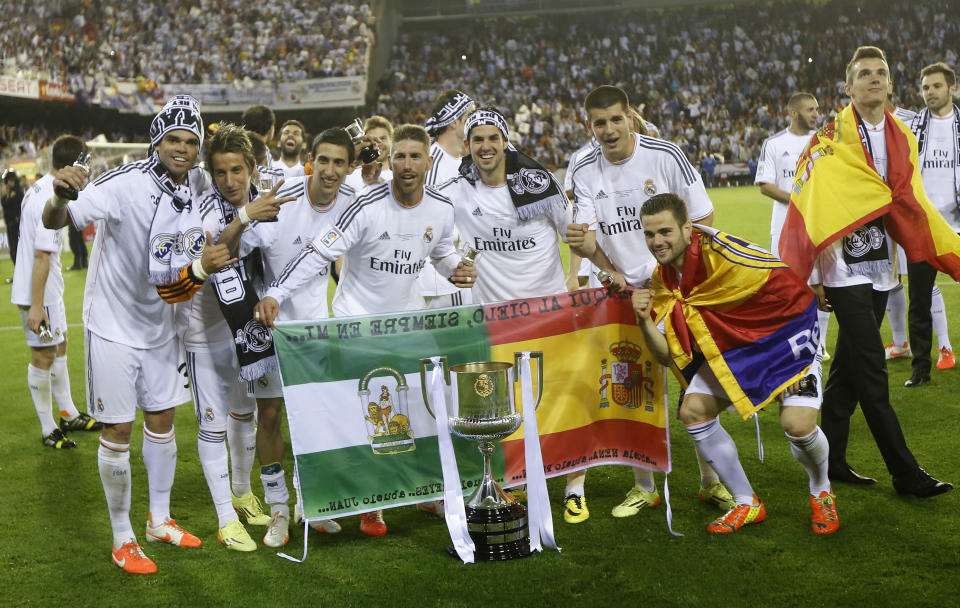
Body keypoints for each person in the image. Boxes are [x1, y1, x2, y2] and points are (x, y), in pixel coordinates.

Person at [43, 95, 237, 574]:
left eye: (191, 141)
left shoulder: (201, 188)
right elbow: (56, 220)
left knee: (164, 421)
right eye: (173, 139)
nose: (183, 148)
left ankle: (159, 520)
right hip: (113, 325)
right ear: (156, 140)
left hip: (164, 324)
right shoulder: (122, 183)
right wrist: (60, 195)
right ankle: (122, 537)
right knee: (119, 429)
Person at [254, 124, 477, 537]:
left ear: (429, 162)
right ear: (390, 162)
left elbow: (441, 251)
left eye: (415, 157)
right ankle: (371, 504)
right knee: (366, 416)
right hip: (356, 325)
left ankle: (425, 488)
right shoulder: (366, 206)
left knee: (423, 408)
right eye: (401, 157)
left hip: (406, 325)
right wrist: (277, 292)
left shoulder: (442, 208)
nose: (407, 165)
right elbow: (318, 252)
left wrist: (454, 268)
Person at [778, 46, 953, 498]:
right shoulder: (827, 142)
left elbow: (910, 200)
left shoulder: (903, 137)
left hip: (880, 267)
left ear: (890, 84)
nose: (873, 80)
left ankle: (831, 460)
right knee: (873, 369)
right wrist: (815, 276)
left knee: (850, 371)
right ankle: (905, 473)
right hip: (841, 269)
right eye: (864, 75)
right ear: (849, 87)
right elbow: (812, 208)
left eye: (881, 73)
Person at [564, 85, 732, 523]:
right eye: (599, 122)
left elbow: (703, 218)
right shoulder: (582, 168)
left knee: (696, 385)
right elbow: (585, 237)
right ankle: (644, 487)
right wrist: (610, 271)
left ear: (630, 119)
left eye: (616, 119)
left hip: (675, 291)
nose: (608, 129)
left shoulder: (665, 155)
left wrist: (671, 274)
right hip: (627, 297)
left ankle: (710, 481)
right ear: (590, 126)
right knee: (635, 388)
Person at [633, 193, 837, 535]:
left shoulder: (728, 256)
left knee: (798, 426)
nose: (657, 242)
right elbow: (665, 354)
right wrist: (642, 320)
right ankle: (746, 502)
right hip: (738, 352)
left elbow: (795, 294)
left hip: (789, 338)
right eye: (650, 235)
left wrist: (789, 361)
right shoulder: (664, 279)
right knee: (693, 411)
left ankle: (822, 491)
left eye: (665, 232)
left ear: (687, 229)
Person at [247, 127, 361, 545]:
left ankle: (309, 501)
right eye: (324, 160)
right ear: (311, 159)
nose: (329, 171)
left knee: (313, 416)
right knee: (271, 416)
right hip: (267, 322)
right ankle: (277, 508)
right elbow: (250, 249)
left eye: (339, 163)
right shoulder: (283, 194)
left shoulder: (352, 203)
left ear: (350, 168)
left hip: (314, 324)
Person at [186, 123, 297, 551]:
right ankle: (223, 518)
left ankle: (242, 493)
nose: (229, 181)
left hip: (245, 328)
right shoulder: (206, 207)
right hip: (205, 330)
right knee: (212, 424)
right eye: (220, 172)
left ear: (252, 167)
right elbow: (220, 252)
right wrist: (246, 217)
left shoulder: (261, 197)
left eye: (237, 170)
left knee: (244, 414)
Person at [11, 135, 101, 449]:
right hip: (40, 292)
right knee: (44, 354)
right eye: (85, 163)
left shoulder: (43, 186)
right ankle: (49, 428)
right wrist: (37, 306)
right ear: (73, 165)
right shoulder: (48, 196)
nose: (89, 170)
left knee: (60, 347)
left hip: (49, 289)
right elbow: (41, 256)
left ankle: (68, 413)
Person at [755, 92, 831, 358]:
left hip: (820, 222)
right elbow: (766, 186)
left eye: (817, 109)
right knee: (787, 284)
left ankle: (820, 343)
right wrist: (799, 201)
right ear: (794, 113)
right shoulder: (774, 143)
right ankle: (790, 339)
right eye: (810, 109)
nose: (816, 114)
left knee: (823, 284)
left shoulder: (824, 142)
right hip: (785, 225)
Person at [898, 62, 959, 385]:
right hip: (923, 227)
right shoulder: (911, 124)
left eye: (936, 86)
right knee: (919, 300)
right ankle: (920, 369)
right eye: (925, 88)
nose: (930, 93)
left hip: (957, 226)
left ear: (953, 87)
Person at [419, 89, 476, 310]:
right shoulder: (433, 161)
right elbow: (425, 222)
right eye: (470, 114)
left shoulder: (461, 161)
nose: (476, 119)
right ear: (453, 121)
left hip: (459, 272)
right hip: (439, 281)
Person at [343, 116, 394, 191]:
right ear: (365, 139)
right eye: (373, 138)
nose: (378, 143)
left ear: (391, 140)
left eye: (383, 138)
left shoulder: (400, 173)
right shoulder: (350, 175)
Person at [2, 168, 24, 265]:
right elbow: (3, 202)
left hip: (16, 223)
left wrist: (7, 197)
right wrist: (6, 195)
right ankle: (18, 273)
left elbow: (8, 203)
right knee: (13, 250)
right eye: (8, 180)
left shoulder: (18, 191)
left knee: (16, 249)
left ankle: (20, 274)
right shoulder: (9, 193)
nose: (9, 183)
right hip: (10, 224)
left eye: (11, 180)